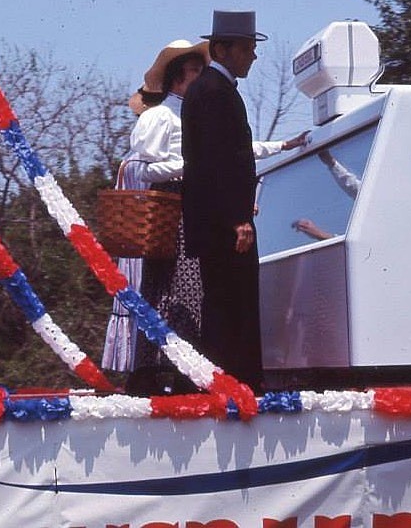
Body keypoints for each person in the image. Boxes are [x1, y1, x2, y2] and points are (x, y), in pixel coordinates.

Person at [103, 35, 306, 395]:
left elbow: (233, 149)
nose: (201, 75)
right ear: (178, 76)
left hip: (194, 202)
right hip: (172, 209)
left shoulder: (194, 110)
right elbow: (141, 166)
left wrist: (280, 146)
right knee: (170, 290)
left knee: (194, 293)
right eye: (194, 70)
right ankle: (155, 369)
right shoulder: (161, 116)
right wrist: (194, 167)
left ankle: (188, 368)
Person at [181, 10, 269, 391]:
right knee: (233, 305)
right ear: (222, 49)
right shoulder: (215, 92)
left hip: (216, 219)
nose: (252, 56)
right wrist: (237, 218)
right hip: (224, 225)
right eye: (247, 48)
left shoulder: (210, 90)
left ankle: (227, 385)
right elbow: (219, 162)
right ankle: (237, 388)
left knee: (224, 303)